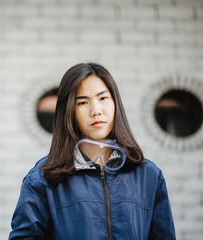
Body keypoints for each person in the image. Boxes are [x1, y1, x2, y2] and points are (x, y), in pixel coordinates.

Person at [9, 63, 175, 240]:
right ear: (69, 111)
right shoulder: (42, 179)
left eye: (103, 98)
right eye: (82, 102)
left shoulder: (149, 176)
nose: (96, 111)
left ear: (115, 103)